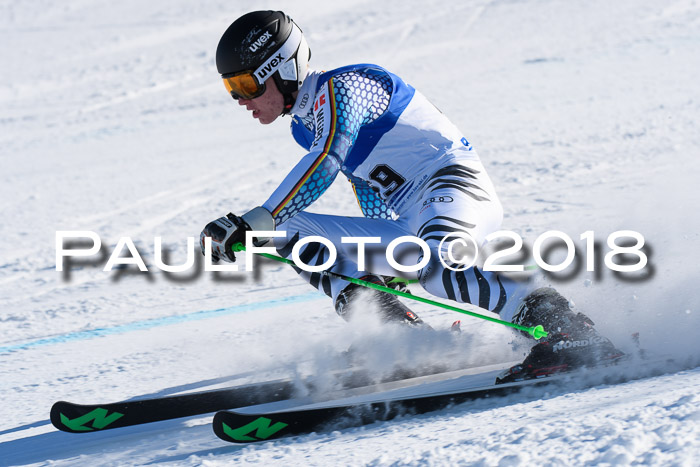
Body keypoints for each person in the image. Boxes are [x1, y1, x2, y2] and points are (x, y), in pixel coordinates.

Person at [200, 11, 623, 380]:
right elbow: (365, 183)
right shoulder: (302, 125)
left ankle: (567, 331)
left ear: (284, 69)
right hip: (410, 217)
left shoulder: (348, 86)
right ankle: (396, 334)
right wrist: (378, 269)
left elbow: (328, 158)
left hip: (453, 185)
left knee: (431, 264)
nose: (240, 99)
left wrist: (258, 217)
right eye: (230, 88)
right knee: (288, 231)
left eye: (246, 83)